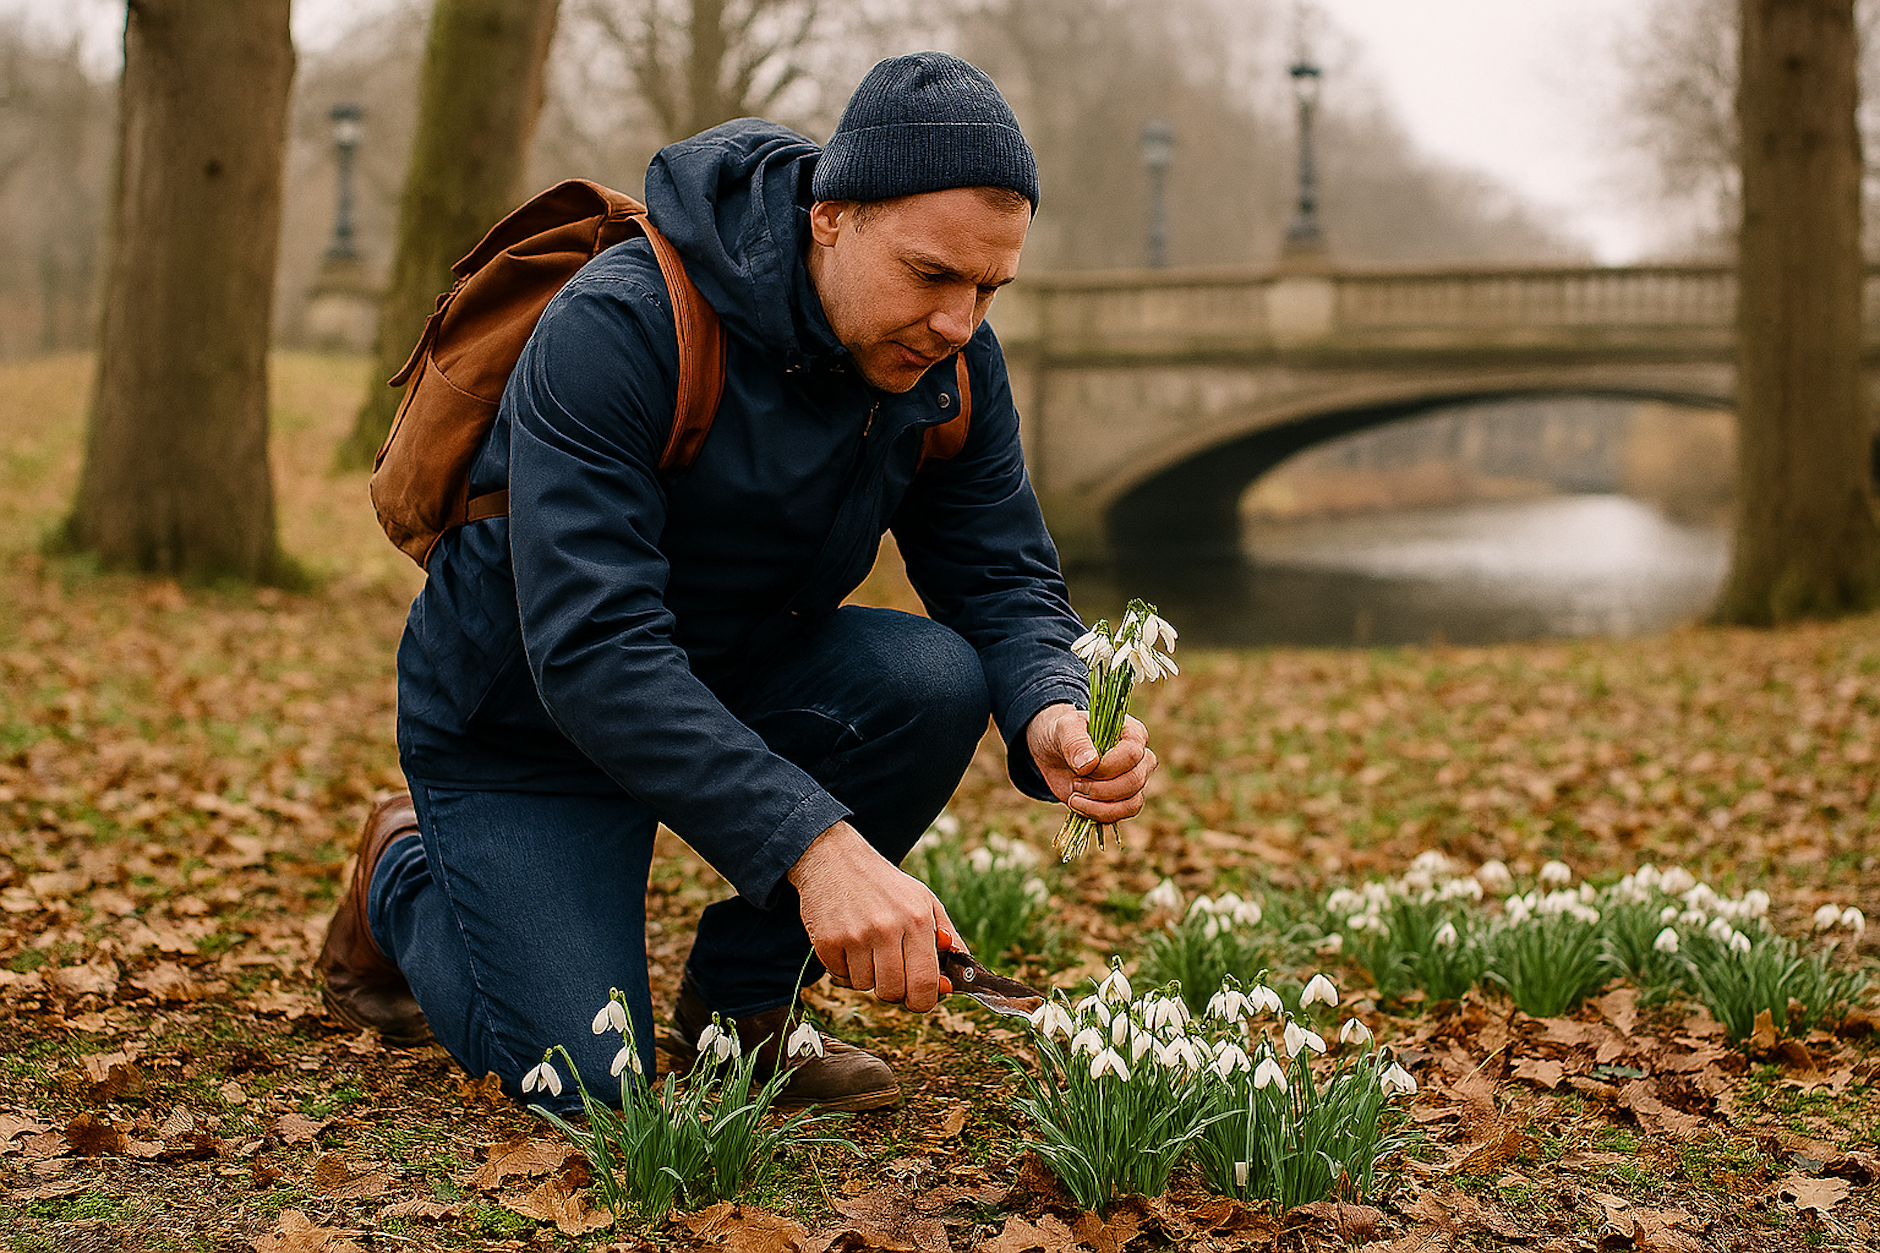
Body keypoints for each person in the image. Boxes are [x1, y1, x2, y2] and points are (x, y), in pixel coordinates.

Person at [317, 51, 1156, 1113]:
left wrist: (1048, 702)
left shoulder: (947, 364)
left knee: (935, 676)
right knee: (587, 1088)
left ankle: (741, 1007)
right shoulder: (621, 325)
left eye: (990, 286)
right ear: (830, 218)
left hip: (735, 671)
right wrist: (816, 848)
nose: (960, 322)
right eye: (932, 275)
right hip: (528, 719)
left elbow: (1002, 571)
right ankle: (401, 873)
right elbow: (593, 651)